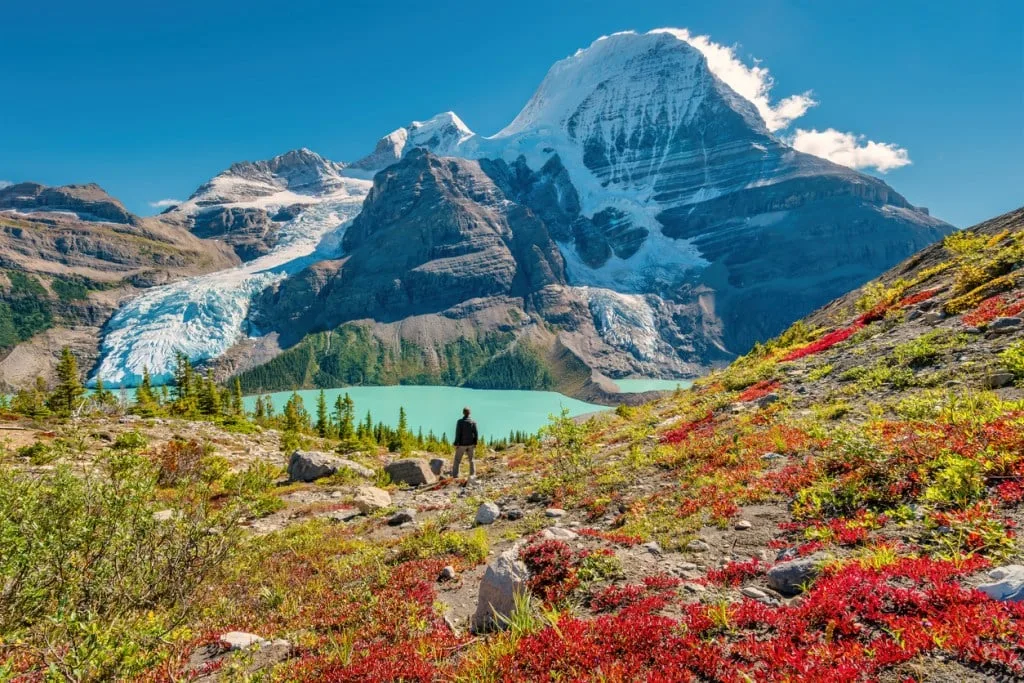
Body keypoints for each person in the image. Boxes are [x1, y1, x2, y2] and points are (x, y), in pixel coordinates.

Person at [452, 406, 478, 478]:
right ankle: (473, 475)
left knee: (457, 460)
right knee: (472, 460)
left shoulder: (460, 422)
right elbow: (476, 433)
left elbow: (458, 433)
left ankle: (455, 476)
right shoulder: (473, 422)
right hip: (471, 444)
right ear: (469, 413)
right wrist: (475, 443)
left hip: (461, 444)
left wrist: (456, 443)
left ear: (463, 413)